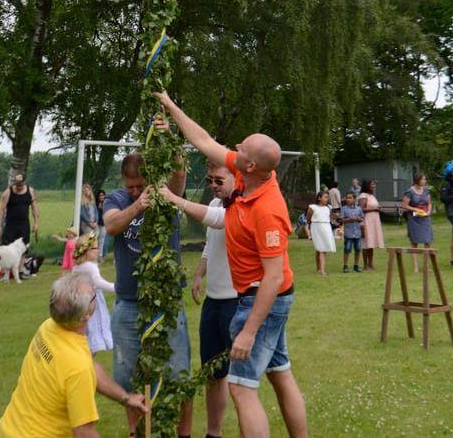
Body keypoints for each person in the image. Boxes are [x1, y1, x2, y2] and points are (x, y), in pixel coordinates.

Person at [155, 90, 308, 438]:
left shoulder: (268, 210)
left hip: (262, 299)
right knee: (280, 372)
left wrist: (250, 330)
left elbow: (271, 278)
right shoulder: (244, 176)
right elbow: (205, 141)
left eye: (241, 148)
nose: (234, 148)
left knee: (241, 388)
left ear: (250, 165)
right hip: (264, 297)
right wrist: (170, 104)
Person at [103, 147, 193, 438]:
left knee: (178, 374)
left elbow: (179, 173)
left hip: (167, 302)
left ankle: (183, 434)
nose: (135, 190)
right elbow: (112, 225)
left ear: (151, 179)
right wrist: (138, 205)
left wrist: (169, 140)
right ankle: (135, 433)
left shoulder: (167, 195)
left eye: (140, 185)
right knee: (125, 377)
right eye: (130, 186)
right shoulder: (118, 199)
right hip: (129, 303)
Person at [0, 271, 146, 436]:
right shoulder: (77, 368)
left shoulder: (48, 328)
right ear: (87, 314)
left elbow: (91, 367)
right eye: (94, 295)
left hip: (9, 429)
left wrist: (125, 398)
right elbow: (84, 432)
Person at [190, 163, 238, 438]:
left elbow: (218, 218)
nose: (214, 185)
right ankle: (213, 433)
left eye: (220, 180)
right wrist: (199, 274)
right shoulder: (214, 203)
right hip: (213, 302)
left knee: (241, 380)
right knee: (213, 373)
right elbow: (211, 243)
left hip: (237, 301)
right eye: (210, 180)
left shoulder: (241, 205)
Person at [72, 234, 114, 354]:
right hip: (92, 303)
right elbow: (98, 282)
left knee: (85, 333)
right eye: (95, 248)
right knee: (94, 328)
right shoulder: (90, 267)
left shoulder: (77, 267)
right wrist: (115, 287)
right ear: (87, 251)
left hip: (81, 301)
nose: (98, 250)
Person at [0, 173, 39, 247]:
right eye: (17, 185)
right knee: (7, 247)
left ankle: (22, 258)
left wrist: (36, 223)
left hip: (24, 224)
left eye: (20, 185)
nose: (19, 187)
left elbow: (34, 208)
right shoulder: (8, 192)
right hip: (10, 225)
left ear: (24, 182)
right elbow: (1, 210)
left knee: (23, 247)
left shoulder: (30, 191)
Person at [401, 174, 433, 273]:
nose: (425, 181)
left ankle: (426, 266)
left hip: (425, 218)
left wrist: (428, 212)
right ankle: (416, 267)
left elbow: (429, 203)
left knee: (427, 242)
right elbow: (404, 205)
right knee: (414, 242)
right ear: (418, 180)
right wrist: (415, 209)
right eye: (424, 179)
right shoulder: (409, 192)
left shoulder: (426, 190)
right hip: (414, 219)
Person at [306, 190, 336, 276]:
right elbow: (308, 217)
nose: (327, 199)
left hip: (326, 228)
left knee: (320, 249)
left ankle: (319, 269)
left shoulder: (328, 208)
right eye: (325, 197)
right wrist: (309, 225)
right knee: (321, 249)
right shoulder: (312, 207)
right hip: (316, 228)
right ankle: (322, 270)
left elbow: (328, 218)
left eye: (327, 197)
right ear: (319, 198)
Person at [357, 179, 384, 271]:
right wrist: (374, 209)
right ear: (367, 185)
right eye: (372, 184)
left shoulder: (371, 195)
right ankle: (365, 265)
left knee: (371, 243)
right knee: (366, 243)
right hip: (367, 221)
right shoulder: (363, 195)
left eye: (374, 184)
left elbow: (373, 206)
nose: (374, 185)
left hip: (374, 221)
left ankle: (371, 264)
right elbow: (361, 209)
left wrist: (378, 208)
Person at [339, 192, 364, 273]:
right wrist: (349, 219)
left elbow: (362, 218)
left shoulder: (359, 209)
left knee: (358, 249)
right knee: (347, 249)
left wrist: (358, 219)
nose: (348, 199)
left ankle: (356, 265)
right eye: (347, 198)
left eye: (350, 198)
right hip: (348, 233)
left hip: (357, 233)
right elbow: (342, 220)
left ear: (354, 199)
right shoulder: (344, 209)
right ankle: (345, 266)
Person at [94, 189, 107, 260]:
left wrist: (102, 208)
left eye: (103, 195)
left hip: (103, 224)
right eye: (100, 195)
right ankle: (91, 254)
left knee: (102, 239)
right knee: (94, 238)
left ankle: (100, 255)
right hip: (96, 224)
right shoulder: (95, 204)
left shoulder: (106, 203)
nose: (101, 197)